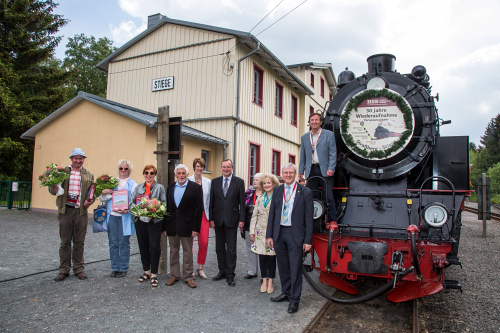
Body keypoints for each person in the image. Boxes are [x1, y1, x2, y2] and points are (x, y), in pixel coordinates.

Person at [266, 164, 313, 313]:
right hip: (279, 233)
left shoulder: (305, 192)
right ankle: (286, 292)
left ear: (296, 175)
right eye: (285, 172)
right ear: (282, 174)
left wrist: (307, 240)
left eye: (290, 173)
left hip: (295, 234)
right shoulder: (278, 190)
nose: (287, 175)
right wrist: (269, 235)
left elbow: (309, 219)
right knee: (283, 266)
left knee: (295, 268)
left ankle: (295, 299)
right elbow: (272, 214)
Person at [49, 148, 95, 281]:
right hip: (66, 211)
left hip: (81, 212)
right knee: (65, 242)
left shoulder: (89, 174)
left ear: (83, 160)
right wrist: (53, 185)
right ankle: (64, 270)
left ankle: (79, 269)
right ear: (71, 159)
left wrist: (90, 201)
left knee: (79, 242)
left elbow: (92, 192)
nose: (78, 160)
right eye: (76, 158)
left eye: (81, 158)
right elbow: (52, 190)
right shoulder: (62, 173)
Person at [164, 164, 203, 288]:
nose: (181, 175)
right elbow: (167, 208)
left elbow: (198, 209)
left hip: (188, 226)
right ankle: (174, 275)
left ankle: (188, 276)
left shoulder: (195, 188)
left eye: (183, 173)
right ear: (176, 175)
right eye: (179, 173)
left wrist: (196, 228)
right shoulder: (170, 187)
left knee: (187, 252)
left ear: (186, 174)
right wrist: (165, 226)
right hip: (172, 225)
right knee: (173, 251)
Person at [209, 159, 245, 287]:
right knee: (219, 248)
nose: (226, 169)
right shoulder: (215, 182)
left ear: (232, 168)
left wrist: (242, 219)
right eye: (224, 167)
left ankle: (230, 275)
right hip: (218, 220)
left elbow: (242, 202)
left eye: (228, 167)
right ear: (221, 168)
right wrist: (211, 219)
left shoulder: (239, 182)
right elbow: (211, 202)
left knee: (231, 249)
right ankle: (222, 271)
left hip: (232, 220)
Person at [100, 160, 137, 278]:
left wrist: (129, 209)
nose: (123, 171)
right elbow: (102, 199)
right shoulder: (112, 182)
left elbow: (136, 202)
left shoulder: (133, 184)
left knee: (124, 243)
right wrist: (105, 192)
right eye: (121, 168)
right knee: (113, 243)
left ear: (129, 170)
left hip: (125, 218)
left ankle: (123, 268)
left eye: (126, 169)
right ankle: (115, 267)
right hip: (112, 216)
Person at [132, 165, 166, 288]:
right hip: (140, 222)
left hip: (154, 222)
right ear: (144, 174)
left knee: (155, 247)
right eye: (146, 172)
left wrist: (155, 207)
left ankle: (154, 274)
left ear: (155, 174)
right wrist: (138, 211)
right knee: (143, 246)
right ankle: (146, 271)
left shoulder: (159, 188)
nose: (149, 175)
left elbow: (164, 204)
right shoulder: (137, 188)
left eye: (152, 173)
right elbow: (132, 203)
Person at [299, 112, 337, 221]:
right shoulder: (305, 137)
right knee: (311, 196)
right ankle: (313, 221)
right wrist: (301, 172)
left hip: (325, 170)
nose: (314, 122)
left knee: (328, 196)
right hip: (311, 169)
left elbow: (333, 153)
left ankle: (332, 220)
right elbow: (303, 156)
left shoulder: (329, 134)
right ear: (309, 122)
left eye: (316, 120)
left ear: (321, 122)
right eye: (312, 120)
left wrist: (331, 168)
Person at [249, 173, 279, 294]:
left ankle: (270, 281)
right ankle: (264, 280)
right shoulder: (260, 198)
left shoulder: (277, 198)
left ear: (273, 184)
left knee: (271, 257)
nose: (267, 185)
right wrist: (252, 232)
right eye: (265, 183)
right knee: (262, 257)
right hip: (260, 233)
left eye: (269, 183)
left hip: (271, 233)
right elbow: (254, 216)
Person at [188, 158, 211, 279]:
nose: (199, 168)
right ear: (194, 167)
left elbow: (210, 201)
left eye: (201, 166)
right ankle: (190, 268)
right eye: (197, 166)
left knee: (204, 242)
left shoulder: (208, 182)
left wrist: (211, 217)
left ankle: (201, 268)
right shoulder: (188, 180)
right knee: (190, 244)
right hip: (191, 216)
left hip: (204, 215)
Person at [242, 172, 264, 279]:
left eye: (257, 179)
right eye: (254, 179)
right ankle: (252, 271)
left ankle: (264, 274)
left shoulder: (266, 193)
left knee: (262, 249)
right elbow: (243, 208)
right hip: (248, 224)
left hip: (261, 226)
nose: (254, 181)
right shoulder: (249, 192)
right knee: (250, 248)